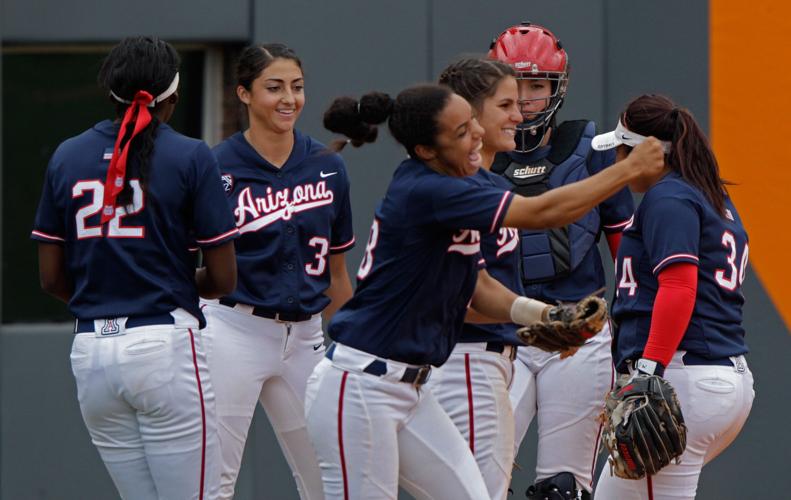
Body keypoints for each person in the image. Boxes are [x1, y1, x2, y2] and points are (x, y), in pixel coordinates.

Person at [304, 83, 664, 500]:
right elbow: (543, 211)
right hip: (361, 385)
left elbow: (479, 285)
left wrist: (541, 316)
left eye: (471, 122)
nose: (475, 134)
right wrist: (626, 169)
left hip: (410, 388)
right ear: (426, 150)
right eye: (459, 132)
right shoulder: (429, 188)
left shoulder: (466, 183)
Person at [31, 36, 239, 499]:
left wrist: (109, 294)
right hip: (162, 341)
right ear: (173, 96)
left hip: (91, 351)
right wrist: (169, 283)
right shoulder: (190, 155)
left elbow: (51, 278)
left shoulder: (67, 154)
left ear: (111, 92)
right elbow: (224, 280)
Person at [200, 43, 355, 500]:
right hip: (233, 329)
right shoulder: (214, 166)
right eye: (274, 87)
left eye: (297, 87)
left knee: (329, 479)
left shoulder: (328, 165)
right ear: (243, 94)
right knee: (214, 481)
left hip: (306, 336)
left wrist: (356, 347)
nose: (289, 99)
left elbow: (338, 272)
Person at [488, 22, 635, 499]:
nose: (526, 98)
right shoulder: (475, 155)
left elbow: (625, 256)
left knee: (563, 487)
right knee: (476, 479)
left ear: (556, 87)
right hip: (500, 338)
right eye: (515, 85)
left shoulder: (590, 150)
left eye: (536, 85)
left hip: (578, 333)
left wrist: (633, 344)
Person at [590, 94, 754, 500]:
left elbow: (679, 288)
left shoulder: (670, 197)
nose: (620, 162)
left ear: (648, 152)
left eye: (624, 150)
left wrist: (649, 370)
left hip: (683, 374)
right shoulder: (706, 193)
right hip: (714, 376)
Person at [424, 57, 525, 500]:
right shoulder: (457, 189)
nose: (518, 115)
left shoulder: (478, 184)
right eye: (505, 104)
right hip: (466, 360)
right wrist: (543, 320)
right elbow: (456, 298)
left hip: (476, 363)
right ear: (471, 112)